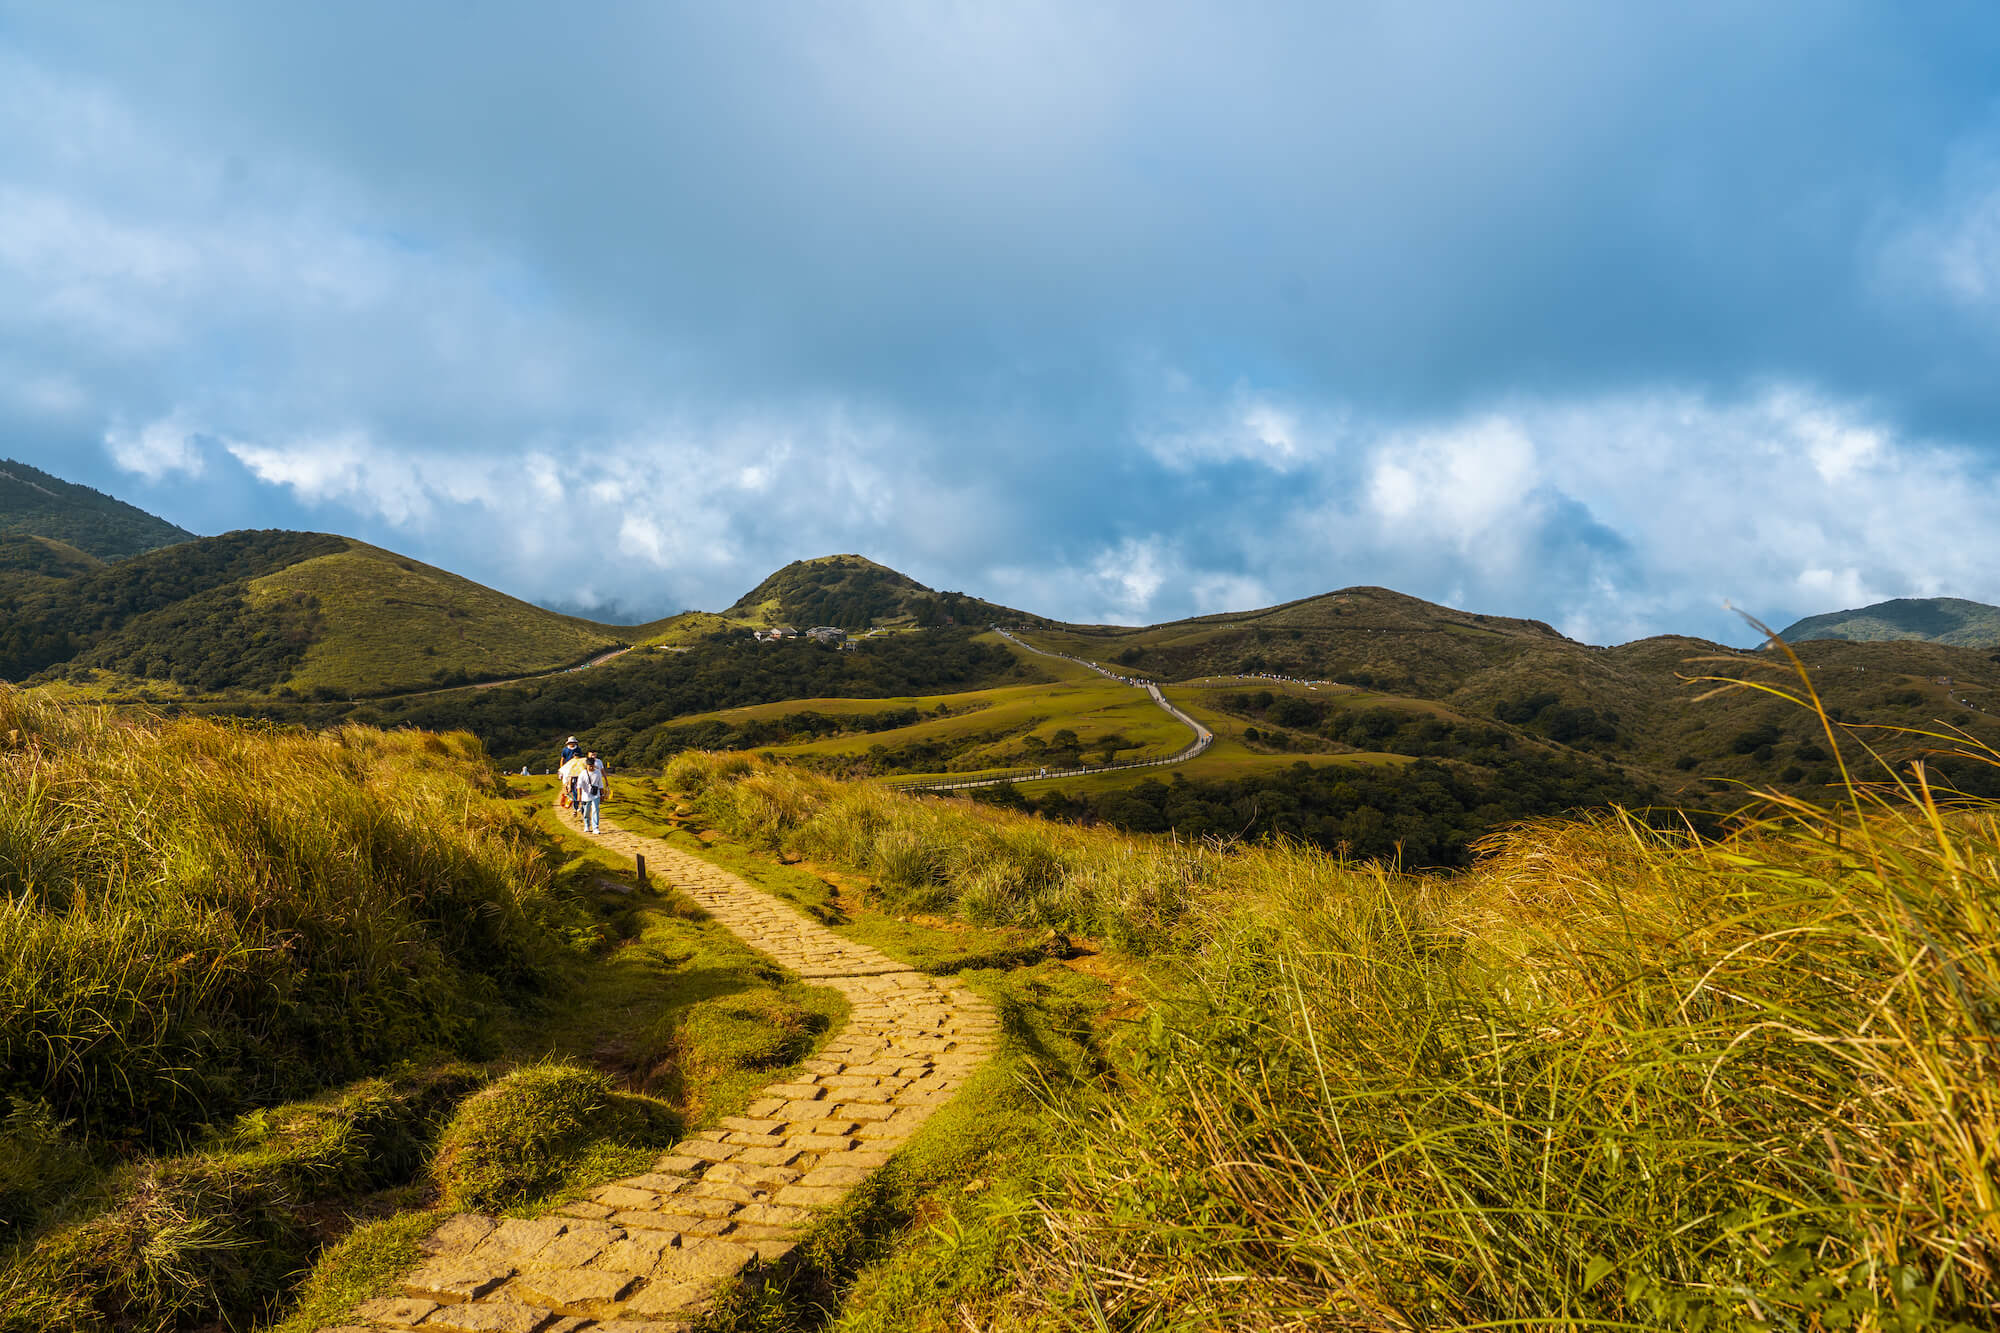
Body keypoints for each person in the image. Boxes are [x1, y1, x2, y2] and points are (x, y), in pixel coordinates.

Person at [573, 758, 605, 834]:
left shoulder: (597, 772)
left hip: (595, 794)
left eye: (592, 766)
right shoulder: (583, 774)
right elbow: (579, 786)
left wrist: (602, 794)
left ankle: (595, 827)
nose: (591, 767)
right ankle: (587, 825)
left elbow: (600, 783)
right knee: (586, 811)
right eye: (589, 766)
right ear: (586, 766)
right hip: (586, 796)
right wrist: (579, 796)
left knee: (595, 810)